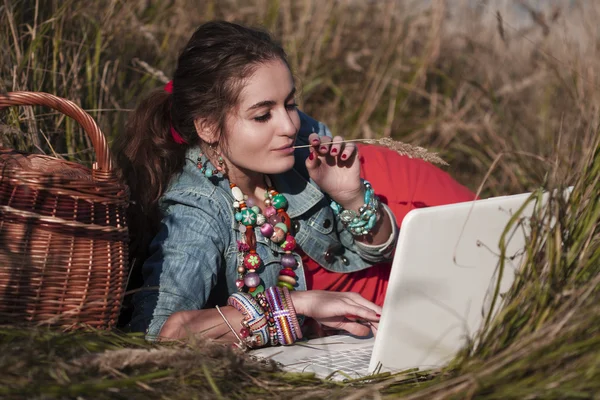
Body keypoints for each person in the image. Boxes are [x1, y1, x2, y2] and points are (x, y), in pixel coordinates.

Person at [115, 20, 474, 348]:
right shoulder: (197, 211)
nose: (289, 125)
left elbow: (373, 253)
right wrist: (298, 304)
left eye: (290, 104)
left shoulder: (296, 150)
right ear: (207, 126)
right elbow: (158, 335)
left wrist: (350, 198)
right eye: (262, 114)